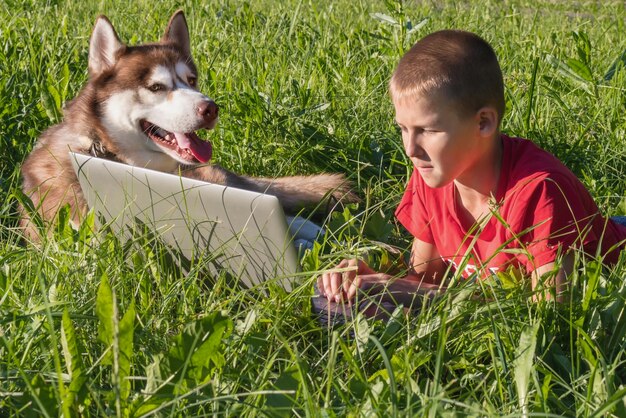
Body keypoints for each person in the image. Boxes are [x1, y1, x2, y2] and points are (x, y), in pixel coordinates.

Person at [316, 30, 626, 308]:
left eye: (429, 130)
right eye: (403, 128)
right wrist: (370, 276)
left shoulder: (541, 191)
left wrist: (410, 292)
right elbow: (425, 279)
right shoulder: (432, 176)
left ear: (484, 122)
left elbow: (551, 314)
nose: (410, 149)